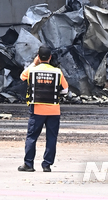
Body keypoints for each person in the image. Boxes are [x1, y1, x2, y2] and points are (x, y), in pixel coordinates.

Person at [18, 45, 68, 173]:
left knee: (31, 137)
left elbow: (22, 77)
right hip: (54, 110)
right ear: (50, 57)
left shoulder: (32, 71)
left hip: (37, 110)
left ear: (38, 57)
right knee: (51, 138)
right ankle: (47, 165)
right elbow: (65, 90)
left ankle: (28, 164)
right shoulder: (57, 72)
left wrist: (34, 63)